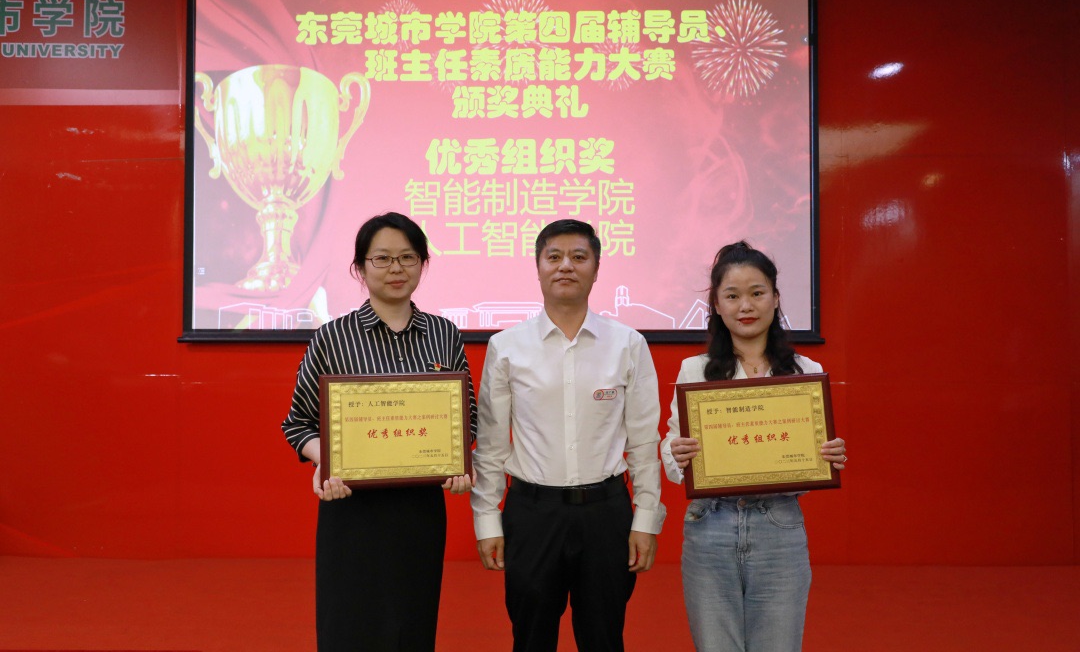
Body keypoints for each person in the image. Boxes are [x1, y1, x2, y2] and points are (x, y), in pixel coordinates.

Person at [281, 211, 476, 652]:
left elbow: (466, 416)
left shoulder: (444, 335)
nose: (396, 269)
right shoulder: (332, 337)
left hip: (419, 508)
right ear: (360, 267)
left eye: (408, 257)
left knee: (413, 624)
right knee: (350, 626)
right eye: (382, 258)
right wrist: (326, 461)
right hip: (352, 508)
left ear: (423, 264)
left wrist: (459, 459)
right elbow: (298, 424)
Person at [471, 218, 666, 652]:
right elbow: (491, 445)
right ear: (538, 267)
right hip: (532, 515)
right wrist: (486, 520)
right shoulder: (507, 346)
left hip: (606, 514)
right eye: (554, 257)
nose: (566, 266)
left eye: (579, 257)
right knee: (530, 639)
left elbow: (643, 442)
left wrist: (646, 518)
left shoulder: (628, 344)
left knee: (604, 639)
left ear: (596, 269)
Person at [661, 241, 847, 652]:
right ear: (717, 305)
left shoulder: (805, 372)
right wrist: (676, 454)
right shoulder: (694, 371)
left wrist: (827, 455)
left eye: (757, 293)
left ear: (776, 298)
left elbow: (812, 457)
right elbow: (671, 452)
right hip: (709, 525)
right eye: (732, 296)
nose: (745, 306)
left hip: (778, 526)